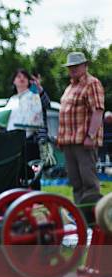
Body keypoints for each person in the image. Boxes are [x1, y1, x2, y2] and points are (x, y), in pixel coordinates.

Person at [57, 51, 105, 204]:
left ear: (85, 65)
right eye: (70, 66)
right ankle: (82, 218)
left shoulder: (92, 83)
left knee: (89, 183)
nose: (73, 69)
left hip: (84, 142)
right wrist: (61, 139)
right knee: (76, 184)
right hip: (69, 142)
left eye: (76, 66)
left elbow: (98, 110)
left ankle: (95, 220)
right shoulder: (70, 87)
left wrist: (90, 136)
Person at [6, 69, 51, 189]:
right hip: (14, 142)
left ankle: (35, 198)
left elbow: (46, 103)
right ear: (14, 81)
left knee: (33, 171)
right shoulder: (11, 100)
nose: (21, 78)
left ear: (28, 81)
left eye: (24, 76)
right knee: (17, 172)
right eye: (18, 76)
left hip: (32, 141)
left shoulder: (35, 94)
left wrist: (39, 87)